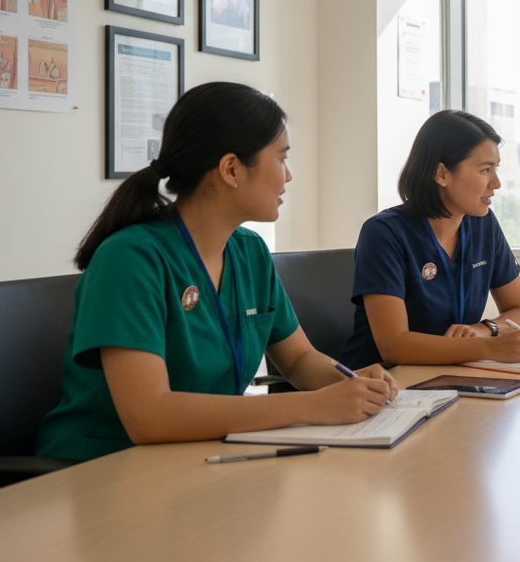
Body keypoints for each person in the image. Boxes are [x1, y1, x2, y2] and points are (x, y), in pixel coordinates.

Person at [37, 83, 396, 462]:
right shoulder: (130, 259)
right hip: (103, 468)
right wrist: (312, 406)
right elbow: (148, 417)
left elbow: (298, 360)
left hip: (201, 455)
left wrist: (351, 383)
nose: (288, 177)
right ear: (231, 169)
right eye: (281, 158)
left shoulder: (250, 251)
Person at [338, 110, 520, 367]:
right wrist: (489, 347)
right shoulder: (383, 233)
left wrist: (485, 329)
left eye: (496, 169)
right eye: (485, 170)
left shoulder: (484, 224)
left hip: (449, 375)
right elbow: (394, 346)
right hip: (385, 386)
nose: (497, 183)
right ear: (442, 174)